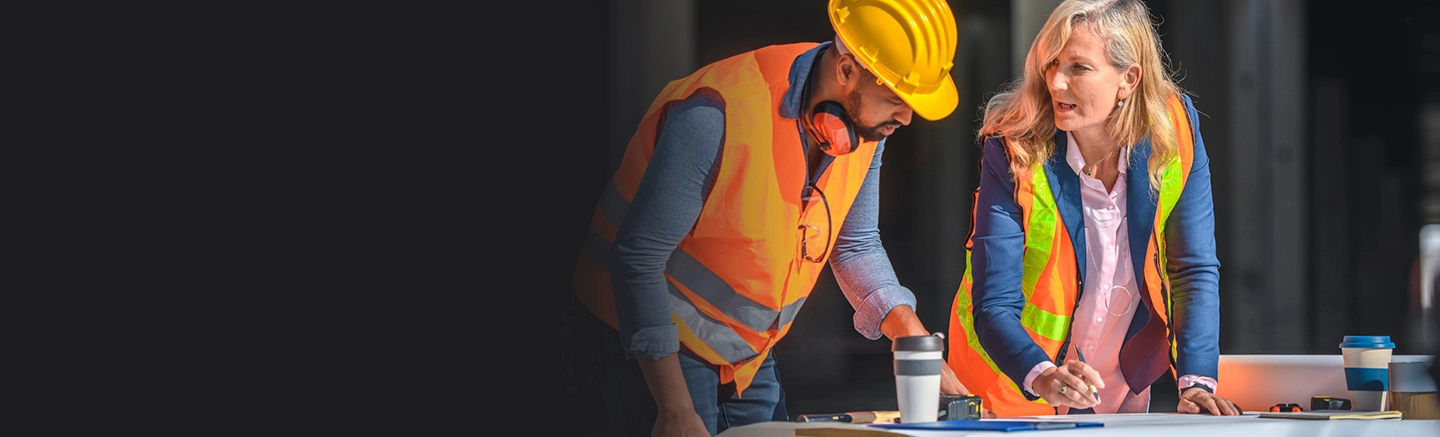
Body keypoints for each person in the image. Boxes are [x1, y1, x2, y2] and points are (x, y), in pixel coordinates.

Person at [564, 0, 968, 435]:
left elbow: (856, 244)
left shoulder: (866, 130)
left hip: (747, 354)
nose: (906, 117)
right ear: (848, 69)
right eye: (895, 99)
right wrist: (675, 410)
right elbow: (636, 259)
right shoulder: (716, 113)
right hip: (648, 339)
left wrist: (907, 331)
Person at [944, 0, 1240, 417]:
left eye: (1078, 68)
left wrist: (1195, 383)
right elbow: (993, 302)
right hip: (1009, 386)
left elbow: (1192, 268)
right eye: (1051, 64)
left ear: (1129, 79)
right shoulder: (1013, 148)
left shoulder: (1177, 131)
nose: (1056, 83)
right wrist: (1043, 374)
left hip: (1119, 387)